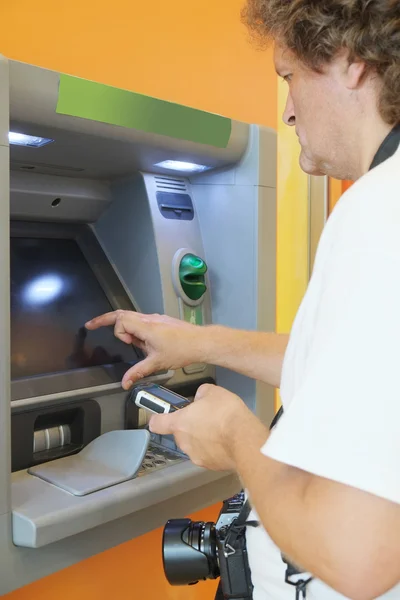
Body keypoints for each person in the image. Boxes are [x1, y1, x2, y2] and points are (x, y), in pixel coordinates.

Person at [85, 0, 400, 597]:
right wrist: (201, 342)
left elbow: (359, 553)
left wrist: (236, 435)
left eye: (289, 77)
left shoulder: (378, 212)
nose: (286, 110)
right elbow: (364, 371)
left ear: (352, 61)